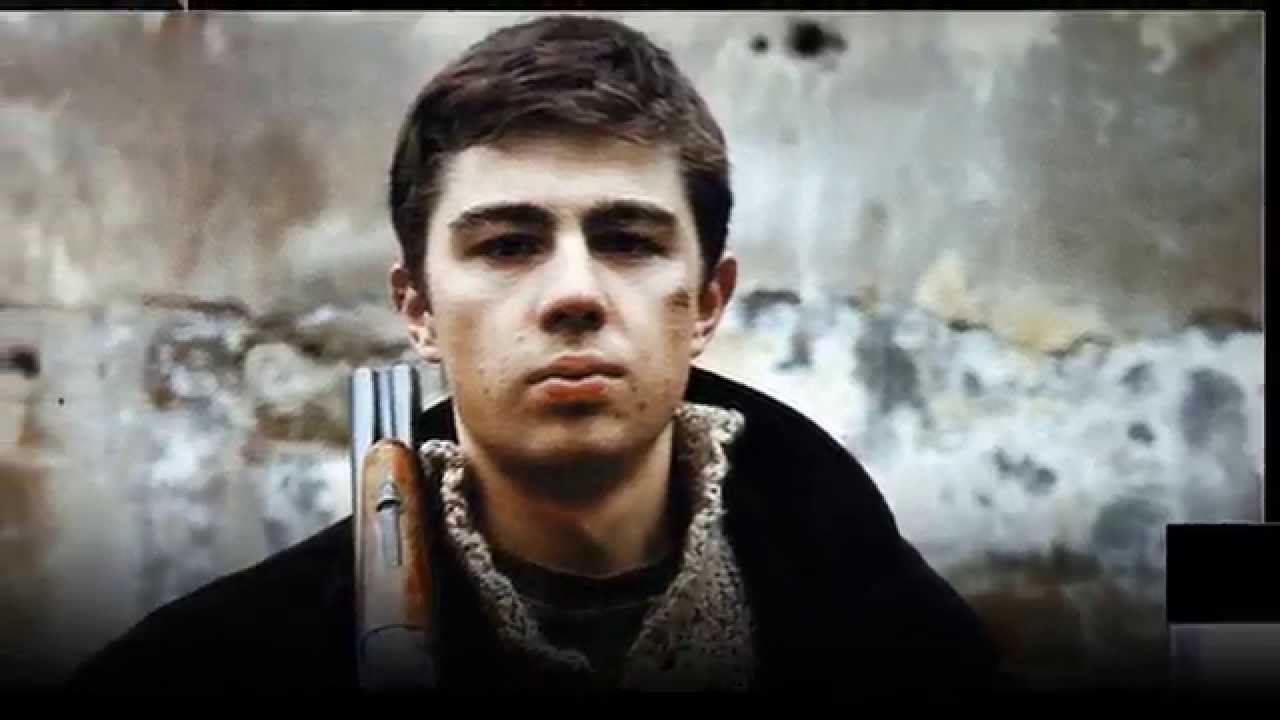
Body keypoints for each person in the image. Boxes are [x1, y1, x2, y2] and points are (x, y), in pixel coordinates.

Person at [69, 14, 1003, 695]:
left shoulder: (906, 648)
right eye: (508, 244)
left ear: (709, 302)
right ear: (418, 308)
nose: (573, 294)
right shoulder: (210, 668)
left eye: (628, 240)